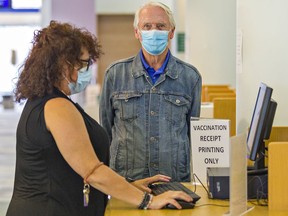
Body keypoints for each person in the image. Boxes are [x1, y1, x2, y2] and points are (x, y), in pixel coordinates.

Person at [6, 20, 193, 216]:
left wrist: (129, 188)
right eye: (85, 63)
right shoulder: (57, 107)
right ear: (64, 64)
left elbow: (70, 170)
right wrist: (149, 201)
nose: (88, 70)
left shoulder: (49, 102)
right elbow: (92, 171)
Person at [99, 1, 202, 183]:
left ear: (171, 32)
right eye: (147, 26)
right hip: (127, 184)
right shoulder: (115, 74)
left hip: (174, 183)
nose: (154, 31)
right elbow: (106, 132)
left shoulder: (190, 77)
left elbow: (191, 136)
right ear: (137, 32)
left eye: (161, 26)